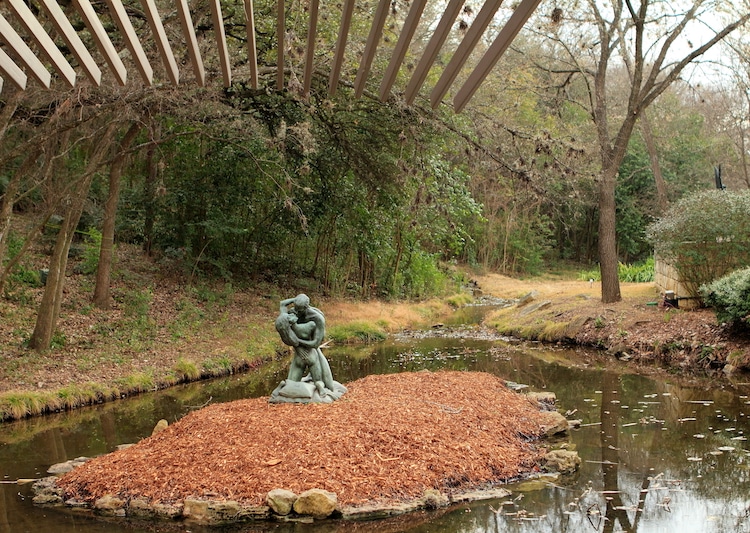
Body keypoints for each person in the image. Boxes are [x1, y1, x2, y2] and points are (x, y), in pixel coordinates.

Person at [275, 294, 334, 395]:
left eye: (300, 310)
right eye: (296, 308)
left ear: (307, 307)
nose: (297, 312)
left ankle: (285, 385)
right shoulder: (296, 315)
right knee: (316, 374)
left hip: (304, 350)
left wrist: (297, 343)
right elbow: (314, 343)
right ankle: (319, 385)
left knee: (293, 382)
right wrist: (297, 300)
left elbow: (315, 343)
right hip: (308, 352)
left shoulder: (317, 318)